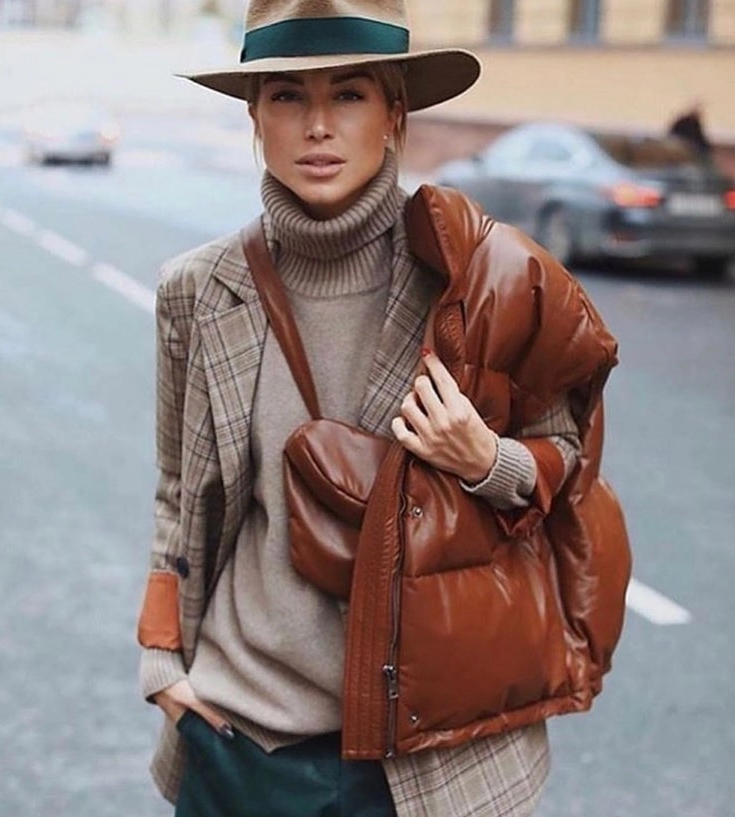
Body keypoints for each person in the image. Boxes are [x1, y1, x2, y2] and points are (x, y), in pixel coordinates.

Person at [135, 2, 628, 816]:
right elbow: (178, 487)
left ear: (395, 112)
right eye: (288, 96)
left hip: (433, 759)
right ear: (255, 118)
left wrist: (484, 459)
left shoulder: (481, 277)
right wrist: (162, 661)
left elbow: (567, 465)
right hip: (239, 741)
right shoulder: (197, 289)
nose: (318, 125)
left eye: (350, 94)